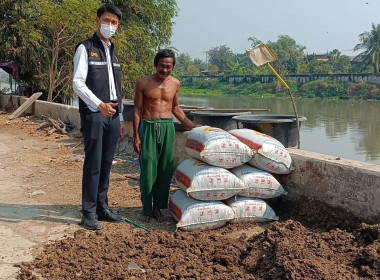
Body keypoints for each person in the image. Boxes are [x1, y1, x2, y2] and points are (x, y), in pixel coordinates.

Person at [73, 3, 125, 230]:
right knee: (93, 163)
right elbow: (78, 83)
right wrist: (99, 105)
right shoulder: (85, 48)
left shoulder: (113, 51)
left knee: (106, 163)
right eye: (106, 21)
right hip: (94, 114)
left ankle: (102, 207)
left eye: (114, 23)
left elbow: (116, 87)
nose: (110, 26)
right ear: (97, 21)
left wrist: (120, 119)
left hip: (113, 116)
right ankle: (89, 212)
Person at [133, 49, 196, 222]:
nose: (165, 70)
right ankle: (146, 209)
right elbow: (137, 109)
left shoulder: (175, 83)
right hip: (149, 126)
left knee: (165, 170)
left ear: (172, 67)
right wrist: (136, 136)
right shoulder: (143, 82)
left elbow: (175, 108)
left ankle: (158, 208)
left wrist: (192, 126)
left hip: (168, 127)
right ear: (156, 64)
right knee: (148, 169)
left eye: (168, 67)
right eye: (162, 65)